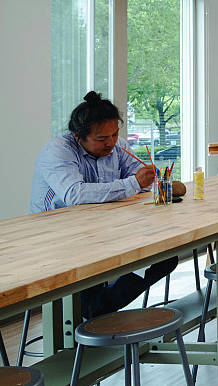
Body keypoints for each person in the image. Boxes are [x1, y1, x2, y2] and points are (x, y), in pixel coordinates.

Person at [30, 91, 177, 317]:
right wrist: (133, 183)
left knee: (165, 255)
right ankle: (88, 315)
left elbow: (140, 179)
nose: (110, 143)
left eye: (115, 134)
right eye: (101, 139)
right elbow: (75, 194)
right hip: (58, 240)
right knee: (93, 280)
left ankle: (96, 310)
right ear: (78, 136)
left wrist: (145, 179)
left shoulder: (116, 146)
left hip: (99, 232)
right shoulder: (58, 151)